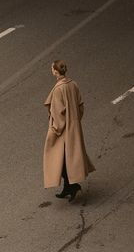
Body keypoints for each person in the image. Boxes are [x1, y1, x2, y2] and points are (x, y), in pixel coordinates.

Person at [43, 60, 95, 201]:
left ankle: (72, 186)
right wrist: (75, 121)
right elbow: (80, 106)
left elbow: (58, 113)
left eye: (52, 68)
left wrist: (55, 130)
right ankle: (69, 186)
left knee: (59, 159)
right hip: (74, 127)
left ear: (55, 71)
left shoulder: (59, 89)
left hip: (63, 131)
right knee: (69, 158)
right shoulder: (73, 84)